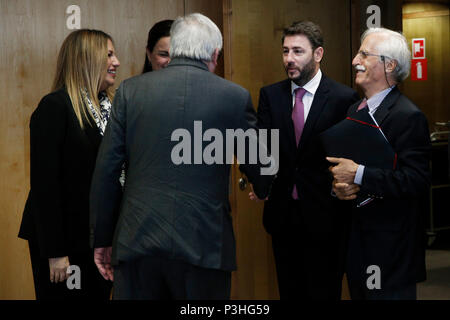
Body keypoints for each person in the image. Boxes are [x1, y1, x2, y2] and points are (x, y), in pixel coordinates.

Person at [90, 13, 275, 300]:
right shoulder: (234, 97)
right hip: (204, 248)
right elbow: (261, 164)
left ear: (175, 48)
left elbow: (106, 171)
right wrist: (262, 188)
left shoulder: (130, 91)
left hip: (137, 243)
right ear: (214, 54)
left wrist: (102, 238)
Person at [250, 21, 359, 300]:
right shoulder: (271, 96)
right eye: (285, 51)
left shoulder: (342, 98)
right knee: (290, 291)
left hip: (327, 219)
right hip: (283, 217)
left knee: (324, 292)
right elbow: (261, 148)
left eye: (298, 51)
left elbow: (350, 157)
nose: (289, 59)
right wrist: (261, 180)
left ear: (318, 54)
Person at [328, 27, 431, 300]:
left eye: (364, 54)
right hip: (358, 244)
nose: (354, 61)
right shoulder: (355, 110)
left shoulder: (408, 116)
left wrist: (359, 174)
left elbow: (416, 180)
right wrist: (339, 188)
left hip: (390, 252)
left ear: (389, 65)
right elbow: (347, 172)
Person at [18, 29, 120, 300]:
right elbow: (45, 186)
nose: (117, 62)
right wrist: (56, 253)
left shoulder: (111, 108)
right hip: (64, 244)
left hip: (97, 241)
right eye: (108, 55)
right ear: (86, 59)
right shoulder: (55, 107)